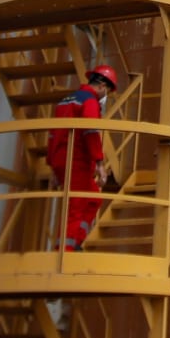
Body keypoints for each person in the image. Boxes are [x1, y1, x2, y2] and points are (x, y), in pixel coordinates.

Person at [45, 64, 117, 250]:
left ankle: (76, 240)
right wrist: (99, 163)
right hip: (76, 160)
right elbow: (91, 131)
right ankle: (65, 251)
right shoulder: (90, 101)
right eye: (107, 90)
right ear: (101, 85)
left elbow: (53, 134)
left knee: (93, 198)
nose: (106, 94)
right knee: (76, 206)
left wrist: (53, 165)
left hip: (61, 158)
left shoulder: (65, 101)